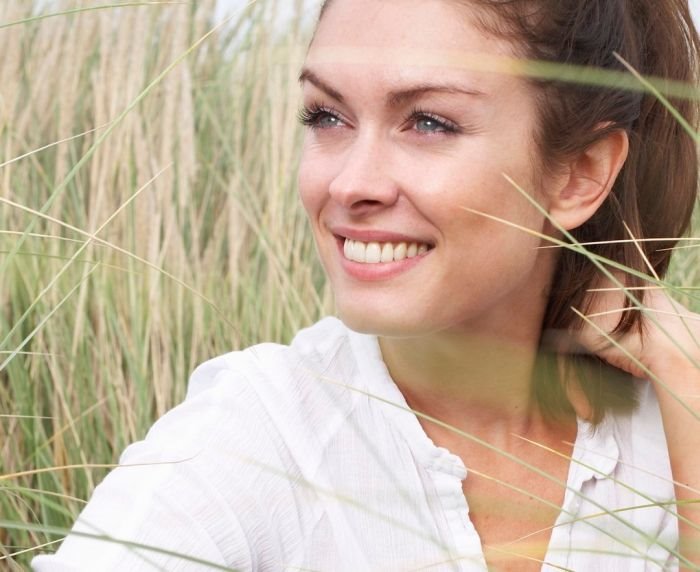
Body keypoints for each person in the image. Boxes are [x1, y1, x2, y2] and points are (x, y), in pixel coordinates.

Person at [32, 0, 700, 570]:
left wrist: (686, 379)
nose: (350, 184)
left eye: (429, 122)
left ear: (580, 173)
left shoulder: (667, 423)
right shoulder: (258, 435)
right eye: (327, 116)